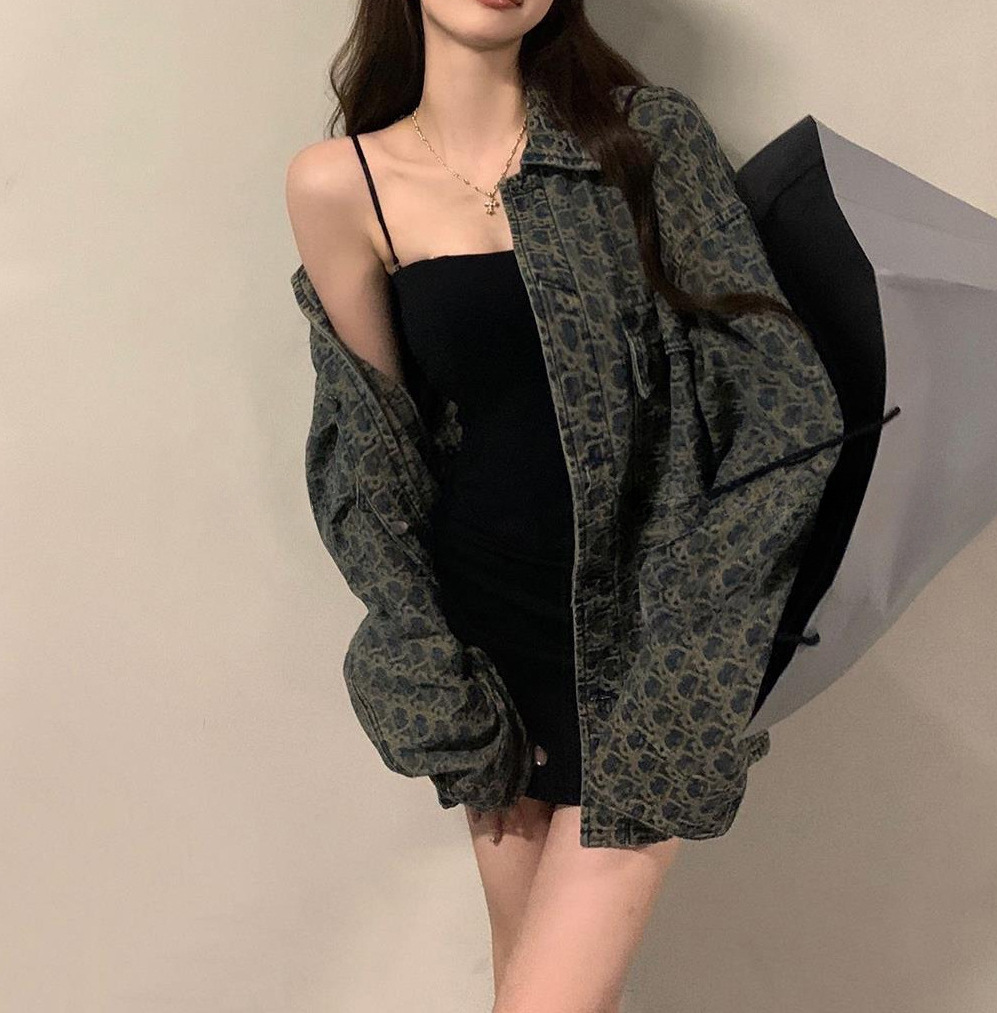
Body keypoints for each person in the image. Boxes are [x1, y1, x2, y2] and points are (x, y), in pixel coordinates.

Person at [285, 2, 832, 1010]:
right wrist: (431, 658)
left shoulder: (643, 140)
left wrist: (700, 638)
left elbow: (780, 403)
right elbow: (374, 456)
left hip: (652, 643)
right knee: (534, 983)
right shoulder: (338, 183)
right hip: (490, 649)